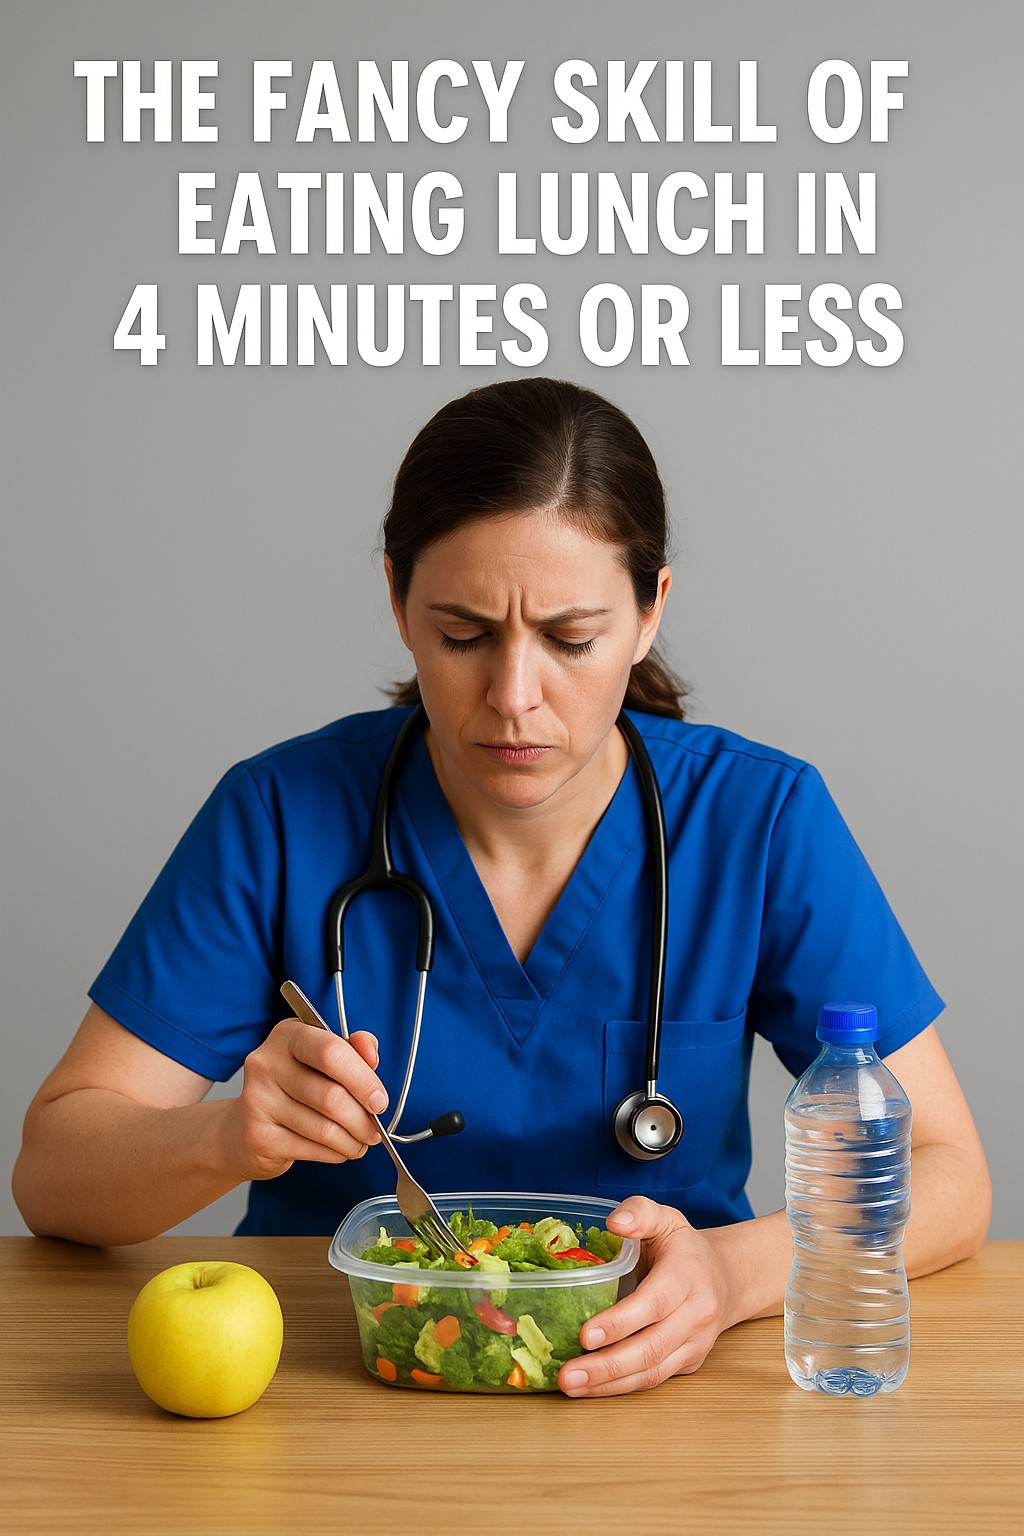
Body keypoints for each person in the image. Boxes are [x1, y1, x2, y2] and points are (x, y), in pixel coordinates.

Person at [13, 377, 990, 1397]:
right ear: (397, 599)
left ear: (651, 610)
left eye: (570, 639)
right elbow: (54, 1175)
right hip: (328, 1392)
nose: (513, 698)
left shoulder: (759, 820)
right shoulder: (279, 814)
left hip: (667, 1399)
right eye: (463, 634)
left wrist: (734, 1272)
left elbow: (950, 1177)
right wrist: (221, 1135)